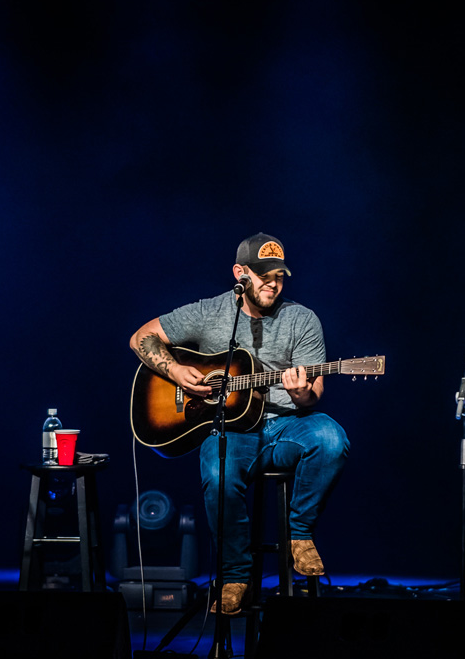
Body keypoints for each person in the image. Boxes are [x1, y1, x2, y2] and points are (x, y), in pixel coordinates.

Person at [129, 233, 349, 615]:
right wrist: (177, 371)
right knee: (217, 473)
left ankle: (299, 535)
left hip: (287, 426)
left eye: (279, 276)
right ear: (240, 273)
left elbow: (314, 392)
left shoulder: (302, 319)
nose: (273, 284)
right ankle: (235, 576)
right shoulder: (209, 313)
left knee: (331, 438)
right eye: (264, 276)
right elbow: (140, 338)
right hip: (231, 431)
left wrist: (301, 394)